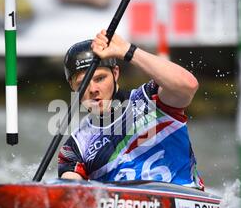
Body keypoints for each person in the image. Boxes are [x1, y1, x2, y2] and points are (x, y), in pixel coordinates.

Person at [57, 30, 204, 190]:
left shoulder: (151, 99)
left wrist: (128, 51)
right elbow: (70, 192)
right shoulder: (75, 147)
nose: (93, 89)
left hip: (183, 202)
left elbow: (188, 85)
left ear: (115, 73)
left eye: (100, 78)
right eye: (82, 83)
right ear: (72, 86)